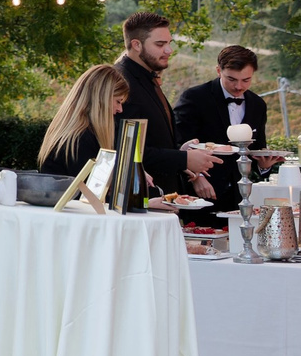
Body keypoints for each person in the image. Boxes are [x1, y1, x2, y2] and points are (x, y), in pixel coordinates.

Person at [116, 14, 224, 204]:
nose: (169, 50)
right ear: (136, 45)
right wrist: (183, 158)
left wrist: (180, 151)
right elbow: (127, 151)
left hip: (162, 195)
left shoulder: (146, 77)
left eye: (169, 43)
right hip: (141, 200)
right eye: (159, 44)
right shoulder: (123, 83)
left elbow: (152, 140)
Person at [170, 44, 270, 221]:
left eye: (246, 80)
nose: (239, 86)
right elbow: (178, 144)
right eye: (231, 79)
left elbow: (258, 150)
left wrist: (264, 166)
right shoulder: (195, 97)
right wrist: (197, 177)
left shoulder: (258, 105)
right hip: (200, 195)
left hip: (240, 198)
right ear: (218, 71)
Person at [38, 63, 130, 180]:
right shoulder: (81, 139)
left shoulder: (75, 135)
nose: (120, 109)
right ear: (102, 98)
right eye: (118, 101)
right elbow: (91, 194)